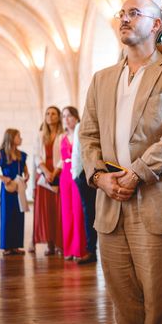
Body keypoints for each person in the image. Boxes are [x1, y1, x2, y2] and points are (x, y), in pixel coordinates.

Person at [80, 0, 162, 324]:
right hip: (110, 201)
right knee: (123, 302)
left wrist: (138, 172)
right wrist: (98, 177)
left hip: (157, 198)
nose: (125, 19)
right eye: (123, 14)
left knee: (159, 305)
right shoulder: (101, 79)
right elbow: (88, 135)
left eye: (135, 13)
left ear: (157, 24)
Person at [0, 128, 29, 256]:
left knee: (19, 215)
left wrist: (26, 177)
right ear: (11, 138)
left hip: (19, 188)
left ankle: (16, 246)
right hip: (7, 189)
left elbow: (26, 171)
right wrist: (2, 177)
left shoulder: (22, 155)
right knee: (7, 216)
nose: (20, 138)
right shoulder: (1, 154)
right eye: (18, 136)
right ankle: (7, 247)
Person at [33, 106, 63, 256]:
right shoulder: (39, 135)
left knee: (59, 210)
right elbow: (36, 156)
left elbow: (64, 156)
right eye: (47, 113)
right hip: (44, 177)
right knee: (46, 211)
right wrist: (46, 172)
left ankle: (60, 243)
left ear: (58, 117)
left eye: (53, 113)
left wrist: (55, 172)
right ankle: (50, 244)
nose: (50, 116)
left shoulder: (63, 135)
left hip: (59, 173)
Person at [58, 106, 86, 261]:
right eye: (64, 116)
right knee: (67, 212)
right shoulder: (61, 137)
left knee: (78, 211)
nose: (66, 119)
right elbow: (59, 160)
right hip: (65, 176)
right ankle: (68, 249)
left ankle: (79, 249)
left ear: (76, 117)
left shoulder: (81, 134)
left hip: (77, 173)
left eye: (69, 116)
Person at [70, 120, 97, 265]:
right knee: (89, 213)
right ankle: (91, 250)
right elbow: (76, 150)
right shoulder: (81, 125)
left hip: (106, 170)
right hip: (83, 174)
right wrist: (76, 173)